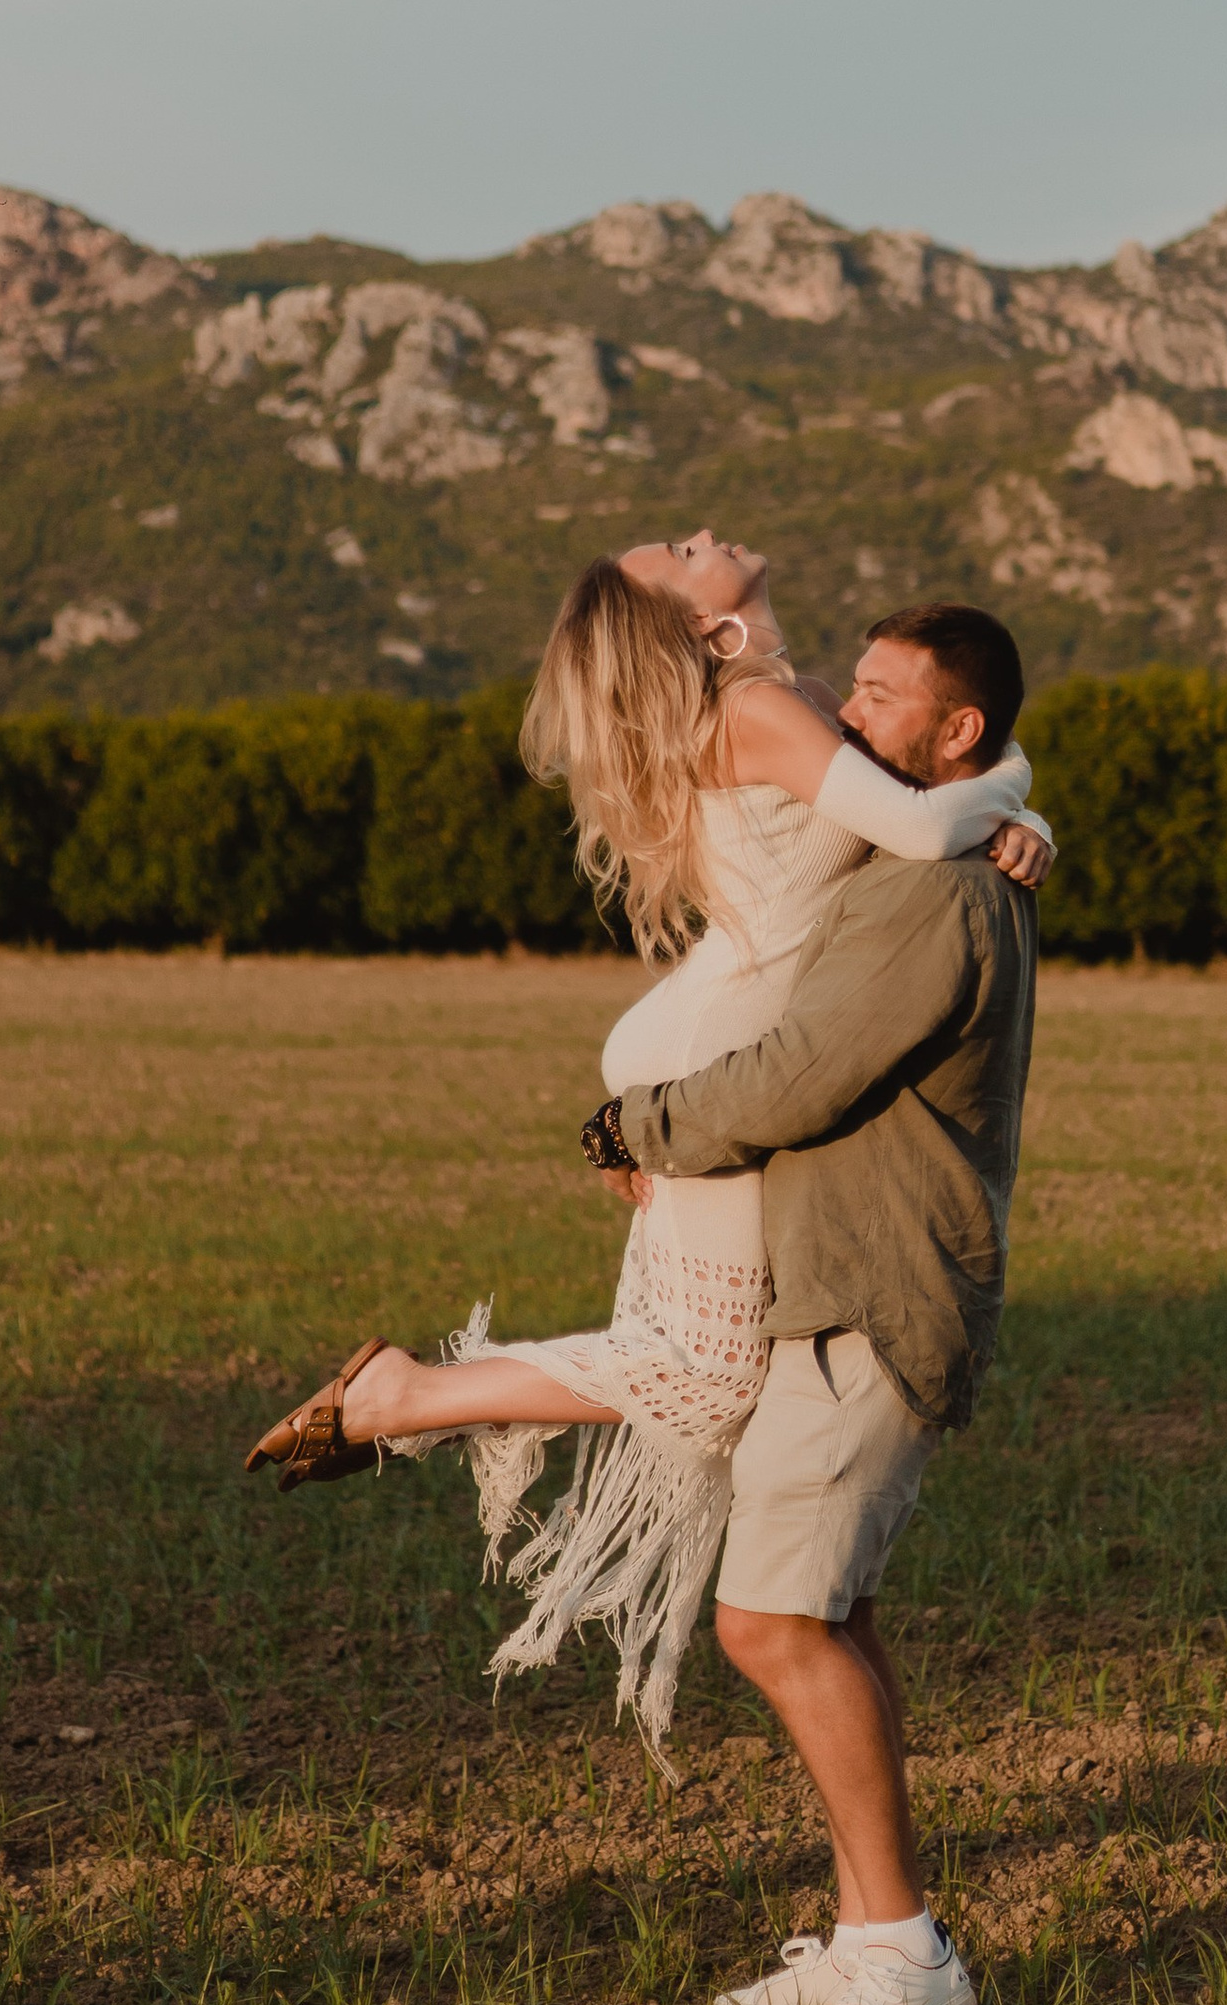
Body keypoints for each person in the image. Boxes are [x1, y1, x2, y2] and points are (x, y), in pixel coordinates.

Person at [244, 536, 1051, 1757]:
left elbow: (931, 796)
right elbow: (928, 817)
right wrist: (1023, 791)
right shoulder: (762, 709)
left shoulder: (792, 702)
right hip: (714, 1062)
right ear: (693, 627)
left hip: (701, 1044)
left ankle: (412, 1397)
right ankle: (407, 1396)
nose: (700, 538)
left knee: (697, 1361)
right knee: (710, 1376)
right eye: (676, 557)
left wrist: (1015, 809)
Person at [585, 599, 1040, 2005]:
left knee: (769, 1626)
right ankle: (864, 1940)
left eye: (884, 697)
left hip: (874, 1293)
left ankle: (906, 1954)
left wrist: (634, 1124)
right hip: (839, 1286)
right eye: (854, 684)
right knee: (827, 1618)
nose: (849, 714)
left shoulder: (937, 895)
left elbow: (797, 1076)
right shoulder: (930, 856)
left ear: (957, 733)